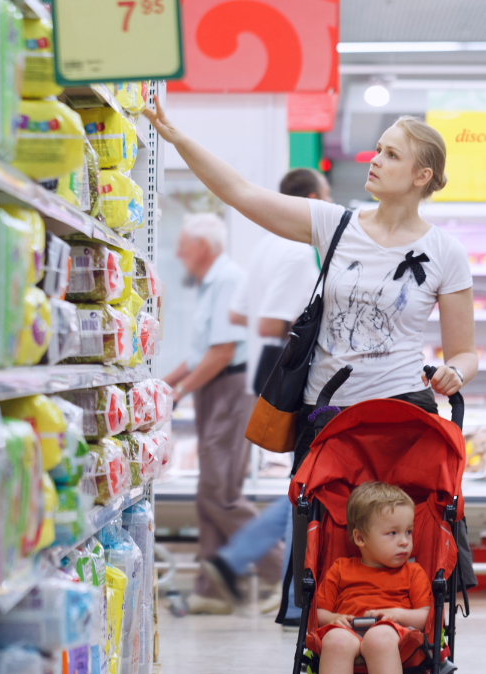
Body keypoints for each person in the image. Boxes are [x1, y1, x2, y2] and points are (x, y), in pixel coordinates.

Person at [144, 104, 477, 616]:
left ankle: (399, 657)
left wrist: (457, 371)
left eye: (391, 154)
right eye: (377, 149)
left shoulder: (446, 252)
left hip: (403, 421)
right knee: (325, 556)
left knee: (394, 552)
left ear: (421, 175)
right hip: (329, 421)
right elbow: (241, 194)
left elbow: (463, 352)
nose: (375, 160)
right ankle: (329, 657)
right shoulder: (335, 225)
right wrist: (176, 137)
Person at [201, 168, 331, 622]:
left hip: (265, 368)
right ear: (314, 200)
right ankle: (283, 591)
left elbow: (241, 315)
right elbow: (275, 324)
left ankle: (253, 571)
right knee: (312, 480)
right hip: (289, 371)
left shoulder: (263, 247)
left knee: (307, 478)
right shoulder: (299, 250)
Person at [163, 213, 281, 615]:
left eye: (183, 245)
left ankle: (281, 573)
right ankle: (210, 591)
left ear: (203, 246)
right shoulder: (211, 283)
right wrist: (165, 384)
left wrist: (179, 391)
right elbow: (200, 352)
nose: (178, 254)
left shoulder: (228, 279)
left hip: (232, 388)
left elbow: (223, 352)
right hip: (215, 388)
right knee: (208, 492)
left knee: (220, 491)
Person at [313, 483, 430, 674]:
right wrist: (335, 620)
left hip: (393, 636)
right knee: (334, 640)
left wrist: (397, 614)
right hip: (349, 630)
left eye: (408, 532)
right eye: (392, 533)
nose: (404, 541)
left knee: (379, 637)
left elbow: (426, 616)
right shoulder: (341, 568)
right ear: (360, 538)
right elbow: (321, 613)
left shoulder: (412, 573)